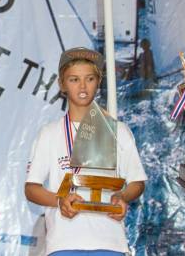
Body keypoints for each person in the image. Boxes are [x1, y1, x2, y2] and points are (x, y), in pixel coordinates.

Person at [25, 47, 146, 256]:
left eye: (89, 79)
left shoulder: (118, 130)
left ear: (98, 82)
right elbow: (31, 188)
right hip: (63, 243)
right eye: (74, 80)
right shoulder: (49, 133)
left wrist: (122, 196)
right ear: (62, 84)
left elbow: (137, 182)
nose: (82, 86)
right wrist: (59, 201)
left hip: (110, 242)